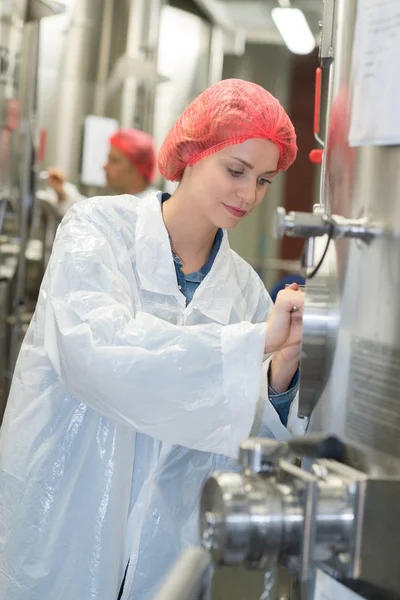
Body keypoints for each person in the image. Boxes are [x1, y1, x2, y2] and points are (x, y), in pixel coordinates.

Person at [0, 78, 306, 600]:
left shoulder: (246, 291)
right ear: (190, 153)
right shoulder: (96, 229)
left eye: (263, 180)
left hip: (167, 549)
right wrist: (255, 343)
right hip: (63, 518)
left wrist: (280, 373)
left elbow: (248, 440)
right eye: (235, 170)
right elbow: (97, 356)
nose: (248, 194)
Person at [45, 128, 157, 217]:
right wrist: (62, 193)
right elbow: (92, 216)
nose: (105, 166)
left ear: (137, 168)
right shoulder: (123, 205)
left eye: (114, 160)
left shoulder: (152, 212)